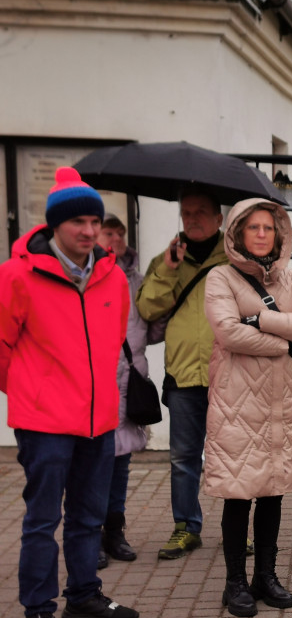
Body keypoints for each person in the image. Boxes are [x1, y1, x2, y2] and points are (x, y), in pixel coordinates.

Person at [0, 167, 140, 618]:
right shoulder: (18, 274)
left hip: (98, 420)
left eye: (93, 221)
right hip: (44, 423)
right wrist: (30, 391)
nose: (87, 230)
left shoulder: (113, 278)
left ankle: (83, 596)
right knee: (42, 520)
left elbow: (112, 342)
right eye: (77, 220)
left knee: (88, 517)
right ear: (55, 225)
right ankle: (38, 610)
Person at [203, 199, 292, 617]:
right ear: (237, 233)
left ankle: (266, 576)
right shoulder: (220, 277)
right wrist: (285, 339)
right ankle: (234, 581)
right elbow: (228, 333)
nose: (260, 234)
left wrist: (261, 321)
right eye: (252, 227)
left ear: (280, 234)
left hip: (281, 400)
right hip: (237, 402)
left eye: (268, 228)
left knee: (273, 492)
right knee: (239, 493)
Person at [137, 189, 230, 560]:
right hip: (183, 373)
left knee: (231, 456)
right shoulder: (167, 260)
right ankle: (186, 527)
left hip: (229, 373)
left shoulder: (235, 259)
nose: (192, 218)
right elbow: (146, 308)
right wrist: (168, 270)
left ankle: (236, 529)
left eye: (201, 212)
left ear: (219, 219)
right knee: (183, 457)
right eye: (186, 212)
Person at [97, 215, 162, 568]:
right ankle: (90, 536)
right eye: (109, 232)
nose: (116, 237)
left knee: (120, 465)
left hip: (128, 381)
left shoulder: (139, 282)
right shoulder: (87, 279)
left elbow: (152, 328)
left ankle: (114, 531)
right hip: (96, 382)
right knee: (92, 465)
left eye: (121, 232)